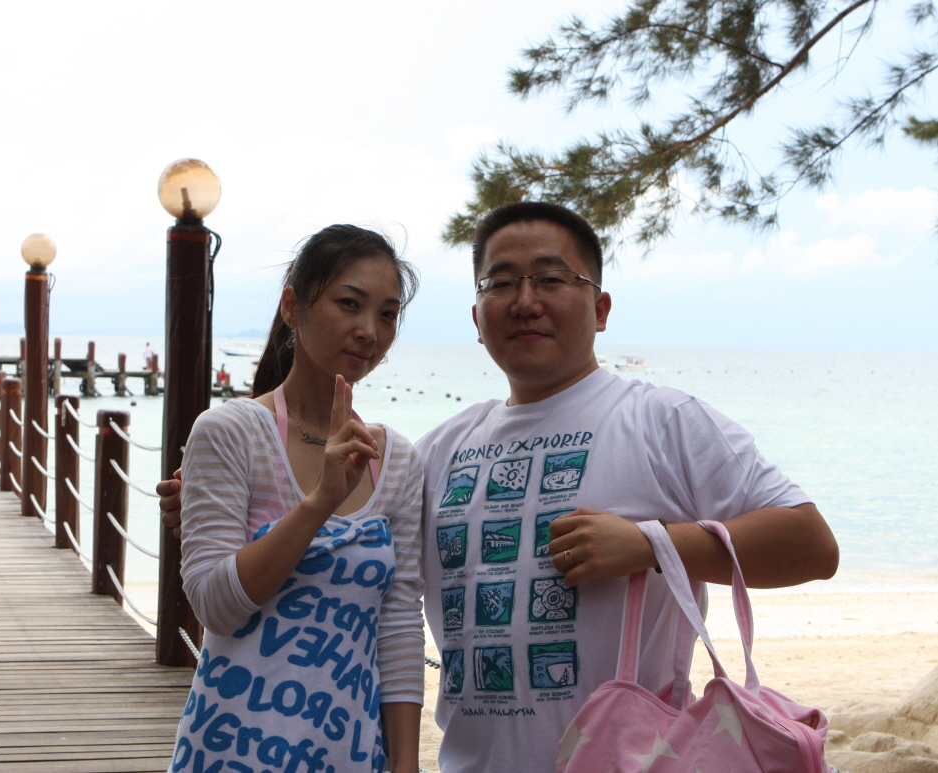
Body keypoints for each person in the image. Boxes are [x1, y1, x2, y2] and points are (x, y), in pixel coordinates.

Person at [162, 202, 839, 773]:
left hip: (625, 758)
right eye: (501, 282)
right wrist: (204, 509)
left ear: (600, 307)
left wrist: (651, 544)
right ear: (476, 315)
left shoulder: (662, 419)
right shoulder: (437, 451)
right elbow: (364, 570)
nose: (525, 301)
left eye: (551, 278)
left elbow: (811, 545)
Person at [167, 225, 426, 773]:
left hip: (349, 753)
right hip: (234, 749)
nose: (369, 331)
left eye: (387, 314)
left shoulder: (397, 458)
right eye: (349, 304)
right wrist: (319, 503)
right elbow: (215, 607)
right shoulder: (231, 432)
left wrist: (406, 765)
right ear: (292, 306)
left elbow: (399, 623)